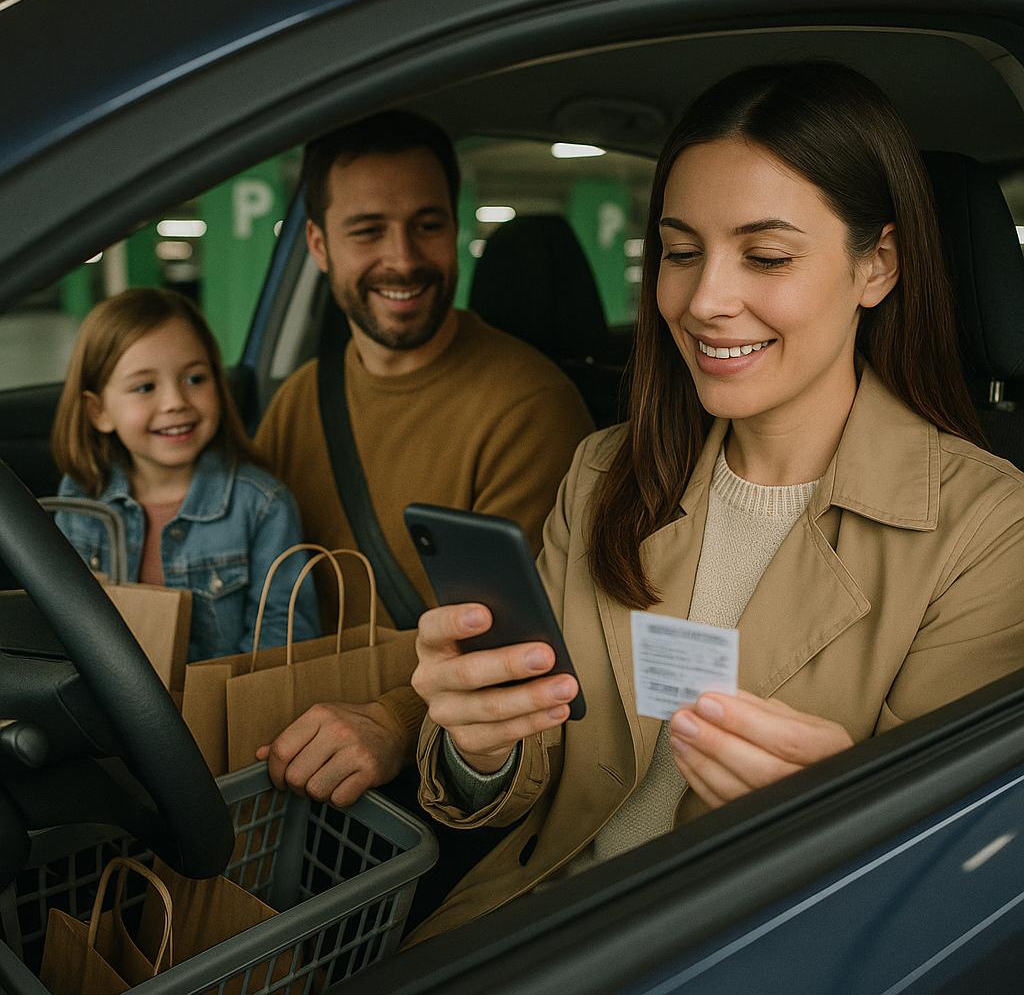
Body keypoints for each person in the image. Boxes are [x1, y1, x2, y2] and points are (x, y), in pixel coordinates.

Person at [406, 61, 1024, 943]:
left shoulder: (989, 531)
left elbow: (945, 902)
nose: (703, 302)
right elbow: (521, 784)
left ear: (875, 266)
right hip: (532, 927)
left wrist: (847, 820)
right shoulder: (602, 473)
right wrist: (479, 744)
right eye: (681, 252)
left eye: (766, 256)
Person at [253, 111, 594, 807]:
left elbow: (521, 651)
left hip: (440, 769)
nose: (403, 258)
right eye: (368, 230)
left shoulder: (528, 404)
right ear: (318, 245)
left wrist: (392, 721)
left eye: (428, 224)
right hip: (288, 741)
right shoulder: (298, 400)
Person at [51, 287, 319, 662]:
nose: (176, 402)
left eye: (195, 379)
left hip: (225, 710)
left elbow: (285, 635)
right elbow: (66, 622)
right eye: (145, 387)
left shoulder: (261, 505)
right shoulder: (82, 496)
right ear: (99, 412)